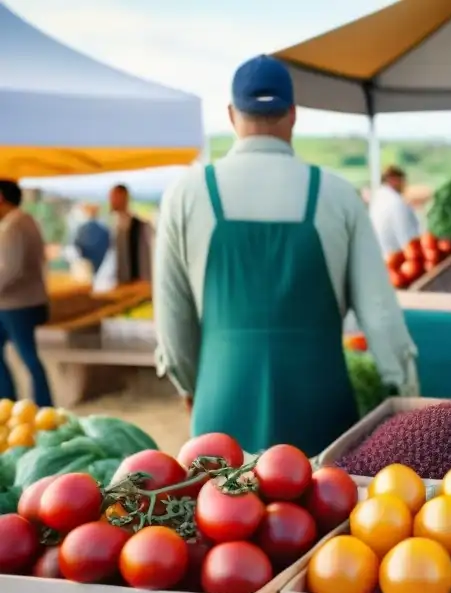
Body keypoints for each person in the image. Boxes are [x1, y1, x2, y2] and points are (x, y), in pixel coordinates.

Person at [153, 55, 418, 456]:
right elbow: (380, 314)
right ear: (293, 114)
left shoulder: (185, 195)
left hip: (221, 404)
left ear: (231, 114)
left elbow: (173, 328)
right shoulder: (339, 194)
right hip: (320, 406)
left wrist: (192, 387)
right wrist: (403, 390)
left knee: (220, 513)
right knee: (323, 513)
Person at [0, 180, 54, 407]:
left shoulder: (15, 225)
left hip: (16, 304)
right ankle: (8, 403)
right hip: (21, 302)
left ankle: (43, 407)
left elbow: (11, 270)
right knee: (27, 356)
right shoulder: (25, 221)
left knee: (29, 357)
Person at [369, 165, 420, 256]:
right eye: (403, 180)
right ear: (393, 180)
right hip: (397, 258)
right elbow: (408, 239)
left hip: (381, 257)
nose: (405, 185)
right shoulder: (396, 203)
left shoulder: (377, 201)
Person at [109, 184, 153, 284]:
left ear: (125, 198)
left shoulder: (140, 226)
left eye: (115, 197)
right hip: (119, 283)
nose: (112, 201)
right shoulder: (114, 225)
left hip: (137, 283)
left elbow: (146, 258)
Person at [71, 203, 111, 275]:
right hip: (98, 265)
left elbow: (75, 245)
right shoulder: (103, 229)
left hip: (86, 267)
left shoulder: (82, 229)